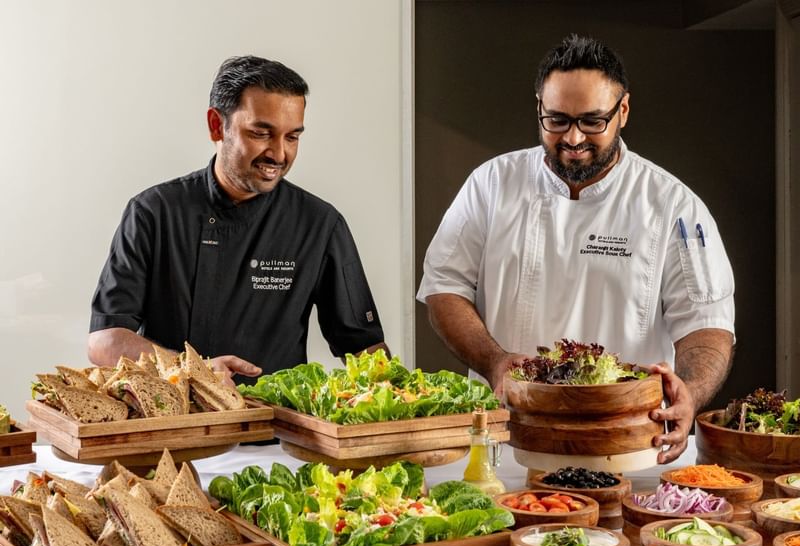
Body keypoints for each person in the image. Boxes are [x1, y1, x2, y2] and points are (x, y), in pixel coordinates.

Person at [416, 34, 734, 464]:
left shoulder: (672, 204)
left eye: (591, 121)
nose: (573, 137)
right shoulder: (492, 184)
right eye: (558, 120)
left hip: (628, 449)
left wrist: (691, 393)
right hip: (506, 444)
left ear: (622, 110)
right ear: (539, 108)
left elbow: (707, 323)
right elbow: (443, 289)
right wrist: (494, 361)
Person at [88, 56, 388, 384]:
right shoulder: (154, 212)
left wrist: (398, 403)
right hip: (173, 427)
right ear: (217, 126)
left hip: (275, 431)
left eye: (292, 137)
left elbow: (365, 349)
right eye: (261, 133)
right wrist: (193, 370)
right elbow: (105, 340)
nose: (279, 154)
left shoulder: (320, 224)